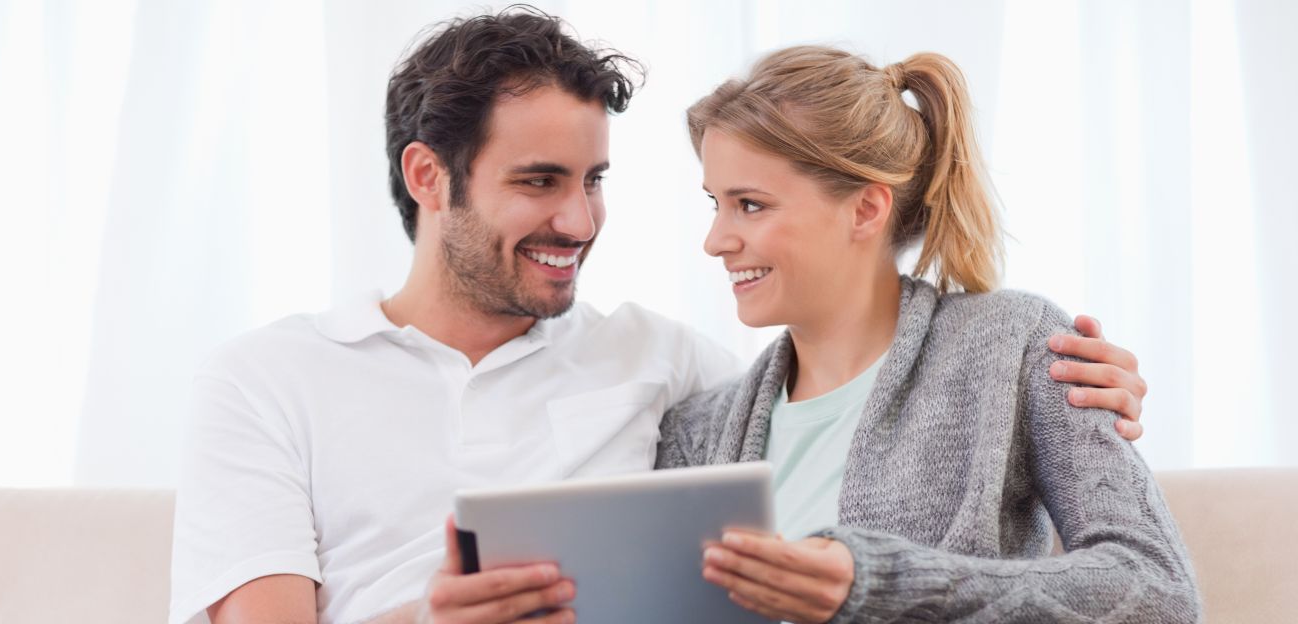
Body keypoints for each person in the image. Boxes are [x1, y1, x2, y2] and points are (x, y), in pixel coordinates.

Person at [168, 8, 1152, 624]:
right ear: (428, 176)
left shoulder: (669, 375)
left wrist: (1069, 381)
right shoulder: (270, 380)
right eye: (540, 181)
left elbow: (854, 398)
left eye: (595, 179)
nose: (582, 220)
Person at [657, 46, 1197, 622]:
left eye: (750, 205)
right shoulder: (697, 431)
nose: (715, 241)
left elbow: (1158, 592)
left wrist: (884, 583)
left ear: (866, 209)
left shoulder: (1014, 349)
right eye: (717, 203)